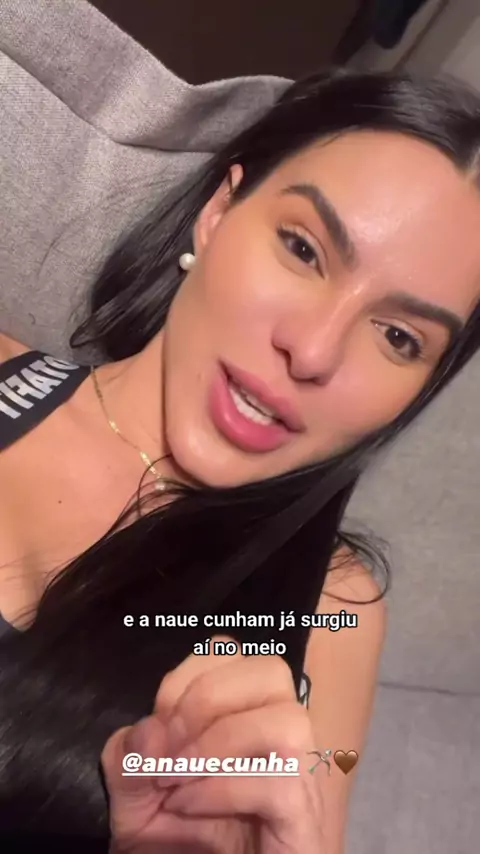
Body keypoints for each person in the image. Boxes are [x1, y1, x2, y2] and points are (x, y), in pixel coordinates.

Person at [0, 67, 480, 853]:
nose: (313, 350)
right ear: (218, 213)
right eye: (303, 248)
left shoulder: (331, 610)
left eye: (400, 337)